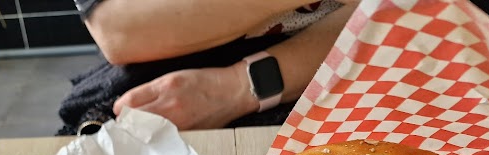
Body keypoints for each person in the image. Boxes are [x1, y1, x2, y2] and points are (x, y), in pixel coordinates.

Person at [59, 0, 359, 135]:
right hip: (161, 82)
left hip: (338, 76)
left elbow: (381, 15)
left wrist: (238, 87)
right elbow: (119, 26)